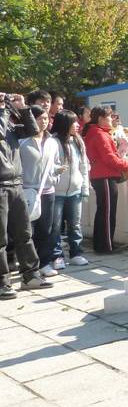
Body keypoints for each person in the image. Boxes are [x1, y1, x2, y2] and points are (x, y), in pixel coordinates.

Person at [0, 93, 52, 297]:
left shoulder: (8, 122)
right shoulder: (3, 119)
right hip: (1, 185)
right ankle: (2, 283)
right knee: (1, 239)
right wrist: (3, 110)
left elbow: (32, 130)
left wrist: (22, 108)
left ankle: (30, 276)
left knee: (24, 233)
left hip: (16, 184)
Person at [20, 105, 64, 278]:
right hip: (27, 191)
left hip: (48, 191)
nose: (43, 122)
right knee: (27, 231)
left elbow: (55, 164)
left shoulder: (52, 142)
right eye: (39, 118)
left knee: (46, 229)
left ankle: (43, 263)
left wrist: (56, 174)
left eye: (46, 118)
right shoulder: (22, 141)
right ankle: (28, 265)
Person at [82, 107, 128, 253]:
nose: (112, 119)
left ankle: (102, 245)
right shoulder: (99, 134)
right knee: (107, 213)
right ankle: (106, 246)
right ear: (101, 119)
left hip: (101, 176)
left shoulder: (96, 132)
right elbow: (109, 158)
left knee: (103, 212)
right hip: (104, 176)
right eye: (110, 116)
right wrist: (126, 165)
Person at [51, 110, 90, 268]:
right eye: (73, 122)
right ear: (64, 124)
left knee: (75, 224)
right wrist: (56, 170)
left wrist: (85, 188)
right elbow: (48, 166)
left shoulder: (78, 141)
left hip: (75, 191)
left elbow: (84, 166)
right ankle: (57, 256)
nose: (77, 125)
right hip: (56, 192)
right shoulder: (52, 142)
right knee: (55, 226)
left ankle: (76, 253)